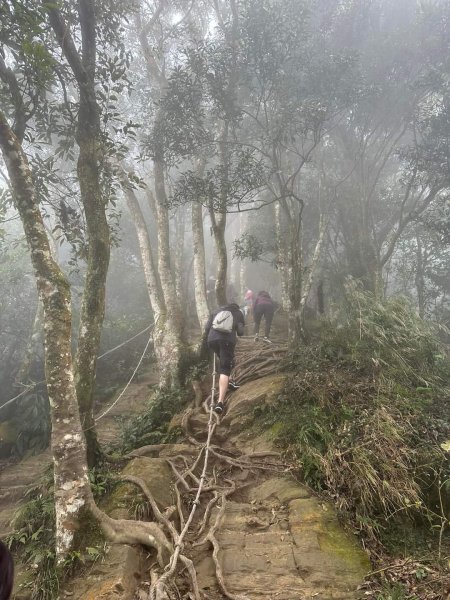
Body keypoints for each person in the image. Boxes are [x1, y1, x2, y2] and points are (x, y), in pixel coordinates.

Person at [205, 303, 245, 414]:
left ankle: (230, 381)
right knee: (225, 368)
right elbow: (241, 333)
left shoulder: (216, 310)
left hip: (212, 340)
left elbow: (207, 327)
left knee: (226, 361)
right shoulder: (238, 313)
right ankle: (220, 403)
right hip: (227, 341)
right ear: (237, 307)